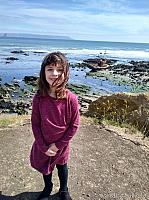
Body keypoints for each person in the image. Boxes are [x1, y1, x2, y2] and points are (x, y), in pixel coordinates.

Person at [30, 52, 80, 200]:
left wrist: (58, 145)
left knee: (62, 166)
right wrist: (43, 145)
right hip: (44, 143)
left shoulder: (71, 99)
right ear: (43, 72)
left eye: (59, 70)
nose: (54, 73)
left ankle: (64, 189)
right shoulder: (39, 97)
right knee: (46, 168)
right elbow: (35, 123)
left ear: (66, 73)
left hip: (62, 144)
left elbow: (74, 125)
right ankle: (48, 187)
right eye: (50, 69)